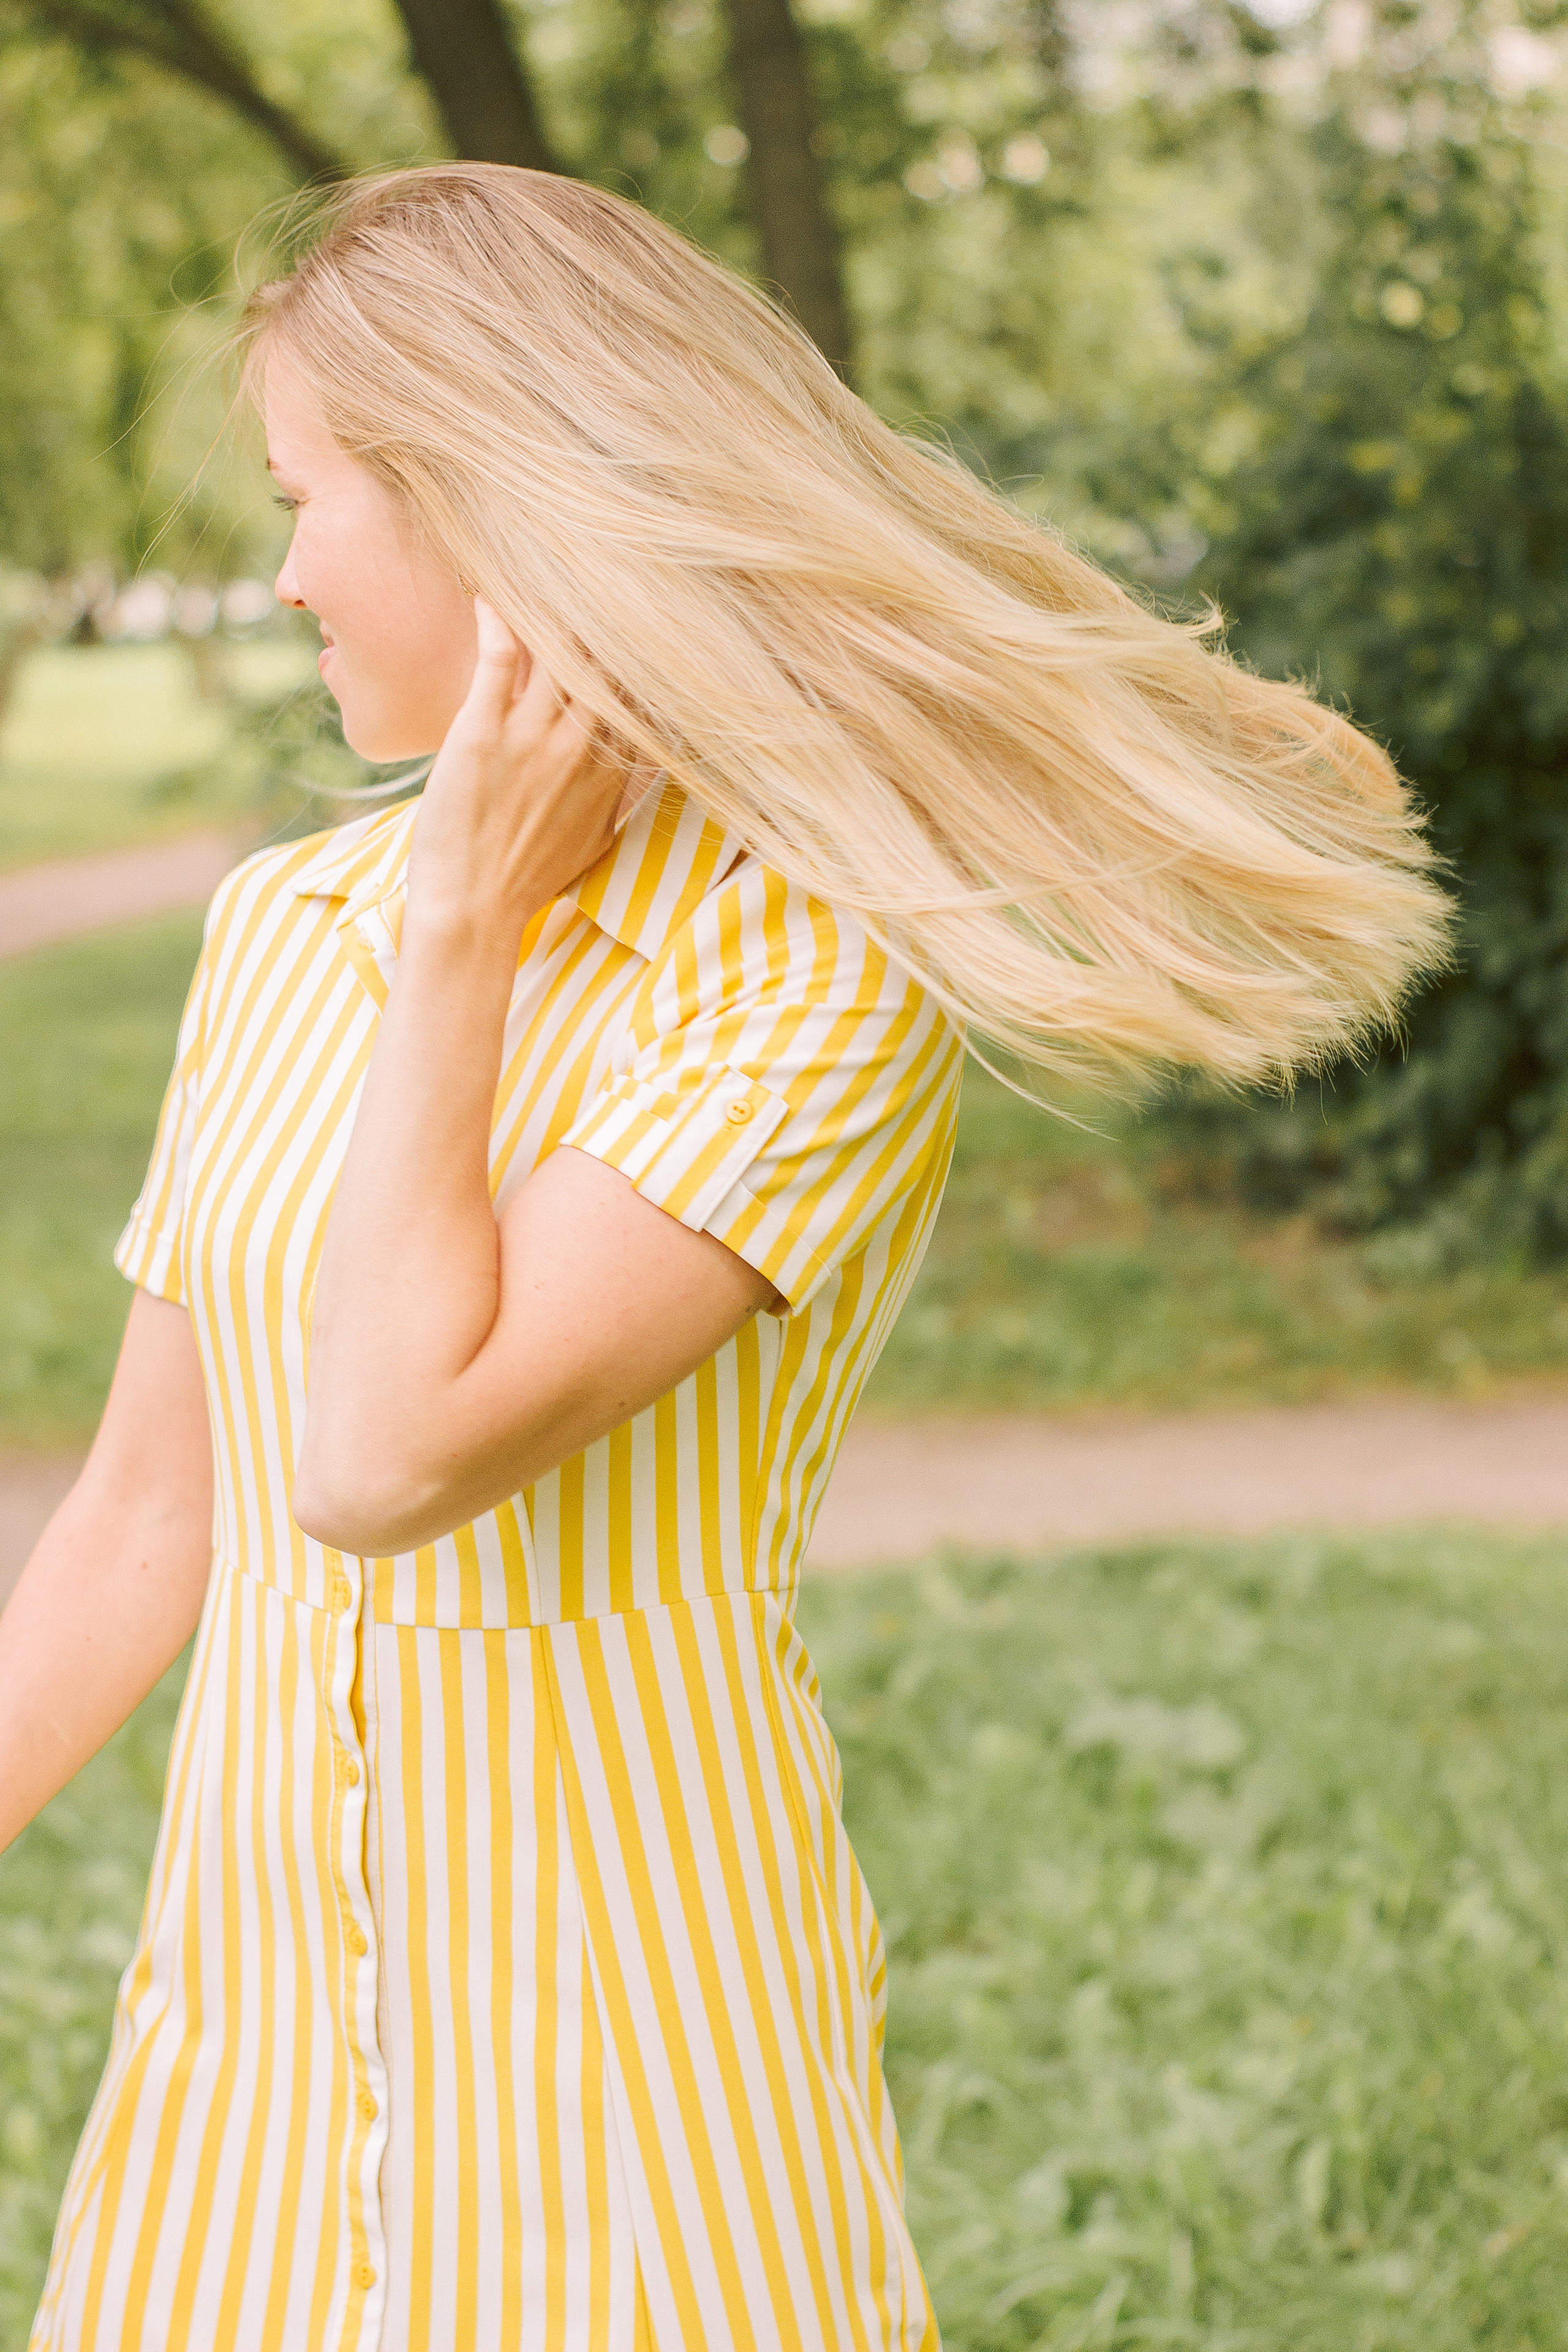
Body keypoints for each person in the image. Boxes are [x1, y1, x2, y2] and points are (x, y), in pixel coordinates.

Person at [3, 164, 1448, 2352]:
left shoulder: (807, 991)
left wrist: (468, 930)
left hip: (625, 2042)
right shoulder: (277, 935)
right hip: (259, 2036)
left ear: (491, 508)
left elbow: (385, 1455)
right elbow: (148, 1511)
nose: (283, 569)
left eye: (314, 499)